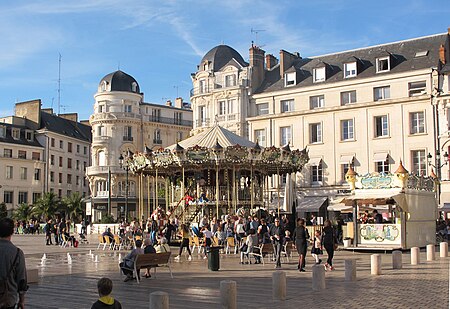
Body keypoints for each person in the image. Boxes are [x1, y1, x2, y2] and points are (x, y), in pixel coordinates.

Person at [0, 217, 28, 309]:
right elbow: (22, 280)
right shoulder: (17, 253)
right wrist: (22, 300)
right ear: (12, 232)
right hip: (8, 299)